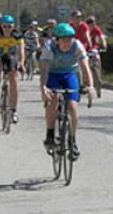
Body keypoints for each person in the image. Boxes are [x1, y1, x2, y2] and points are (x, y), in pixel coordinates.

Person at [40, 23, 95, 158]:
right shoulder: (49, 47)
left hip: (69, 74)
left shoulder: (77, 46)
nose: (67, 43)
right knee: (52, 101)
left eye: (69, 39)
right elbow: (44, 70)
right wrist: (43, 88)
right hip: (52, 74)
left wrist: (91, 86)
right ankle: (50, 134)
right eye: (64, 40)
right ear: (57, 40)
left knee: (72, 106)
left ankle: (72, 140)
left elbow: (85, 68)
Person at [0, 15, 25, 124]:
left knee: (14, 80)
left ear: (13, 26)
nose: (7, 29)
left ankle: (14, 110)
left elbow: (21, 51)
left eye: (9, 27)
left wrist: (21, 63)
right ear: (1, 26)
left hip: (11, 56)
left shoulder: (17, 35)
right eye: (5, 26)